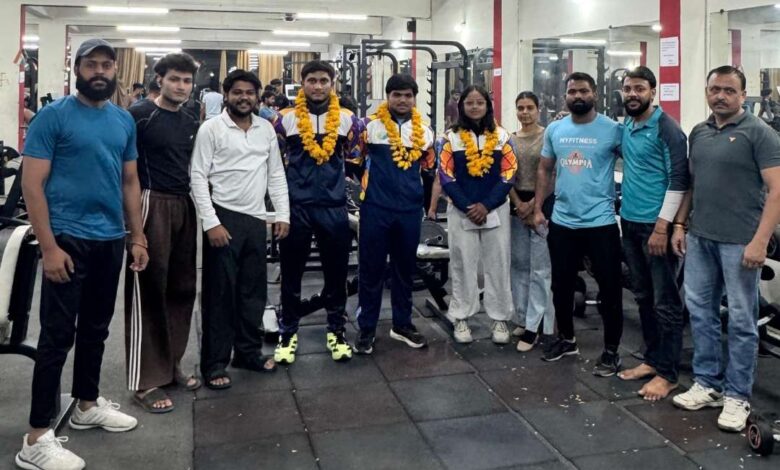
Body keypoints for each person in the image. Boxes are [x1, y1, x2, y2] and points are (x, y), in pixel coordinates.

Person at [16, 38, 147, 470]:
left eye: (107, 65)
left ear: (116, 71)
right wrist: (49, 247)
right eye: (92, 65)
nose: (100, 72)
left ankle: (87, 404)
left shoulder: (123, 120)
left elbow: (129, 181)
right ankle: (36, 436)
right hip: (67, 239)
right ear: (78, 70)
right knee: (56, 336)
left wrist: (137, 236)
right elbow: (32, 184)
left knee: (95, 329)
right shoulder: (54, 117)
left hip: (109, 238)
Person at [671, 66, 780, 432]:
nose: (720, 96)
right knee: (700, 312)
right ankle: (707, 383)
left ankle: (737, 395)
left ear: (743, 95)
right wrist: (680, 224)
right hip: (701, 237)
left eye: (729, 90)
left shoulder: (760, 133)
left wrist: (760, 241)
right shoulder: (699, 132)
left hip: (740, 242)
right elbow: (693, 184)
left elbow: (777, 191)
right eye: (714, 89)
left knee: (742, 320)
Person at [191, 69, 290, 390]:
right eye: (237, 92)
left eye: (249, 92)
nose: (244, 97)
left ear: (257, 96)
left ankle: (247, 353)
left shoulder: (265, 129)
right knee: (220, 295)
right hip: (224, 218)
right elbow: (197, 177)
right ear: (226, 95)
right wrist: (211, 222)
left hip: (256, 220)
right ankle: (214, 364)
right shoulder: (211, 128)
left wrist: (282, 214)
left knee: (252, 293)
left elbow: (275, 174)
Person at [124, 52, 201, 413]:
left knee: (182, 288)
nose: (181, 86)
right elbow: (127, 172)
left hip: (183, 203)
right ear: (160, 80)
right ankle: (144, 380)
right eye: (174, 79)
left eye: (186, 81)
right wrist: (134, 230)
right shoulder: (139, 115)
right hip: (150, 201)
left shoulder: (191, 116)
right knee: (149, 290)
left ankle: (170, 365)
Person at [534, 72, 624, 376]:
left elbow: (636, 162)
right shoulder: (555, 129)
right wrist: (538, 208)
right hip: (563, 221)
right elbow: (545, 169)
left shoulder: (613, 130)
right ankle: (567, 339)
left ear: (594, 94)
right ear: (565, 96)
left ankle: (611, 350)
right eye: (572, 91)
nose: (578, 96)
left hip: (600, 222)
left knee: (610, 288)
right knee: (561, 285)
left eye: (583, 91)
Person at [273, 60, 362, 364]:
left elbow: (353, 158)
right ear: (303, 83)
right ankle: (287, 331)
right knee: (291, 273)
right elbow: (276, 160)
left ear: (332, 83)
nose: (318, 86)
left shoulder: (348, 120)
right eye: (312, 80)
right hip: (296, 206)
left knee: (336, 273)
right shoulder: (284, 119)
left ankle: (336, 330)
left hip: (333, 206)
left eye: (324, 80)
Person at [615, 66, 689, 401]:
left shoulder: (667, 127)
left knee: (666, 302)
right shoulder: (629, 126)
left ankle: (668, 374)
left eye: (639, 89)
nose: (633, 94)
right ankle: (652, 360)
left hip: (655, 226)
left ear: (652, 92)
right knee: (643, 296)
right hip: (630, 222)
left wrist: (664, 227)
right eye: (628, 88)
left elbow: (679, 179)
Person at [353, 74, 436, 354]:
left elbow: (428, 170)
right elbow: (354, 162)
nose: (402, 100)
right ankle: (366, 327)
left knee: (404, 269)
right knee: (371, 269)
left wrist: (425, 206)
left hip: (409, 211)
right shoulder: (368, 127)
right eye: (397, 95)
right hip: (375, 209)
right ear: (387, 96)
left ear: (414, 98)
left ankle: (402, 324)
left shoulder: (425, 132)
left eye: (408, 95)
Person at [438, 85, 518, 344]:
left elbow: (509, 174)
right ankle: (461, 316)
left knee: (499, 264)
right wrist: (467, 206)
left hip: (495, 209)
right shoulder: (449, 138)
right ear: (461, 106)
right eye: (469, 103)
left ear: (487, 106)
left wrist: (486, 205)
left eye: (479, 102)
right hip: (462, 211)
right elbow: (445, 175)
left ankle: (500, 319)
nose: (474, 107)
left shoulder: (503, 137)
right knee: (462, 264)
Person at [508, 91, 555, 352]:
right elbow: (506, 175)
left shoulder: (548, 136)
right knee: (518, 264)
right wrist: (518, 204)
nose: (524, 112)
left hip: (542, 205)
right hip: (517, 204)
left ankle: (536, 325)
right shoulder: (511, 140)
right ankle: (523, 316)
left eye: (529, 107)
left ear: (538, 109)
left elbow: (553, 174)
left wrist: (534, 205)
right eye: (520, 108)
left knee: (540, 268)